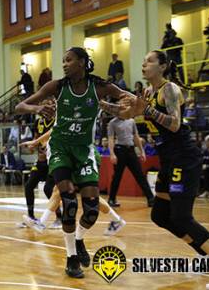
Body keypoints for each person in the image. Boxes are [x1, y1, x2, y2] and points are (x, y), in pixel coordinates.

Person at [107, 50, 209, 290]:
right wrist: (99, 103)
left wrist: (147, 110)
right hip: (169, 160)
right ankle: (205, 256)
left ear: (162, 66)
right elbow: (127, 113)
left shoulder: (169, 89)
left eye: (149, 60)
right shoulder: (148, 93)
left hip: (184, 157)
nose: (144, 63)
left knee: (181, 216)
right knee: (160, 215)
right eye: (143, 60)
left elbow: (174, 124)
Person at [16, 46, 132, 278]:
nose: (64, 64)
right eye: (63, 60)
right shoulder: (56, 86)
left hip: (84, 149)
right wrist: (38, 108)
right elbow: (20, 106)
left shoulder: (100, 87)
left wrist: (124, 107)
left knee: (90, 210)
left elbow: (131, 103)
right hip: (60, 147)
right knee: (68, 201)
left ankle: (79, 239)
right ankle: (71, 258)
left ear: (82, 62)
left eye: (69, 60)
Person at [19, 98, 59, 226]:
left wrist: (42, 143)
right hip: (41, 160)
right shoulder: (38, 122)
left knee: (49, 190)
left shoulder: (58, 121)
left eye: (51, 104)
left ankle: (60, 217)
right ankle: (31, 217)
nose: (48, 107)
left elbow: (51, 137)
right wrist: (33, 145)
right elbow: (37, 137)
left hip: (53, 161)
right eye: (45, 104)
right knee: (29, 186)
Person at [107, 116, 154, 208]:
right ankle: (111, 199)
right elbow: (111, 138)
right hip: (119, 150)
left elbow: (136, 136)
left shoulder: (131, 120)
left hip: (131, 150)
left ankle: (151, 198)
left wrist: (142, 151)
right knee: (117, 176)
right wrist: (112, 153)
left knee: (139, 174)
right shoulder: (113, 122)